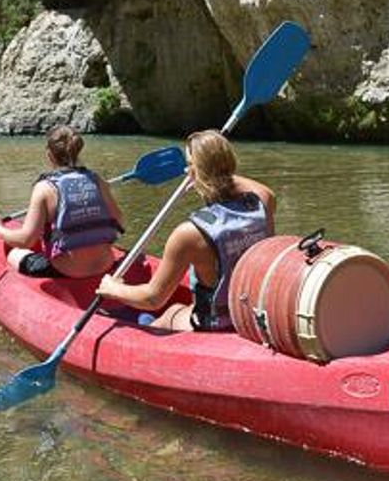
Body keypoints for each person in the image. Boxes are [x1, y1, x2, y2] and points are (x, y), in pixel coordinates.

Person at [97, 129, 275, 331]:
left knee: (169, 314)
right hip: (249, 315)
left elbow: (153, 298)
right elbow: (249, 185)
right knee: (177, 308)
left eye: (190, 166)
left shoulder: (189, 234)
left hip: (217, 324)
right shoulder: (263, 203)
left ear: (193, 171)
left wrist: (113, 288)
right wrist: (214, 169)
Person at [0, 125, 124, 279]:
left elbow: (25, 240)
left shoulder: (44, 188)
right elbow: (118, 220)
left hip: (68, 271)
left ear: (49, 155)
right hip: (105, 265)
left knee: (15, 254)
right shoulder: (97, 180)